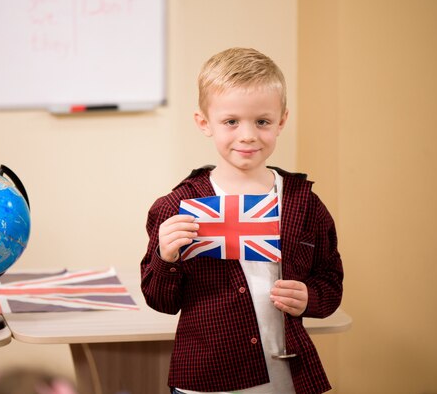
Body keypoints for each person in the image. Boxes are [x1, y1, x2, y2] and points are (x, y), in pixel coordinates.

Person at [140, 47, 343, 394]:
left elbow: (331, 281)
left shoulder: (304, 203)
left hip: (286, 377)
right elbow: (161, 301)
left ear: (281, 121)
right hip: (206, 379)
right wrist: (165, 257)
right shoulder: (178, 205)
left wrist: (311, 297)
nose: (247, 135)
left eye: (262, 121)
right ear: (204, 123)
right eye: (231, 121)